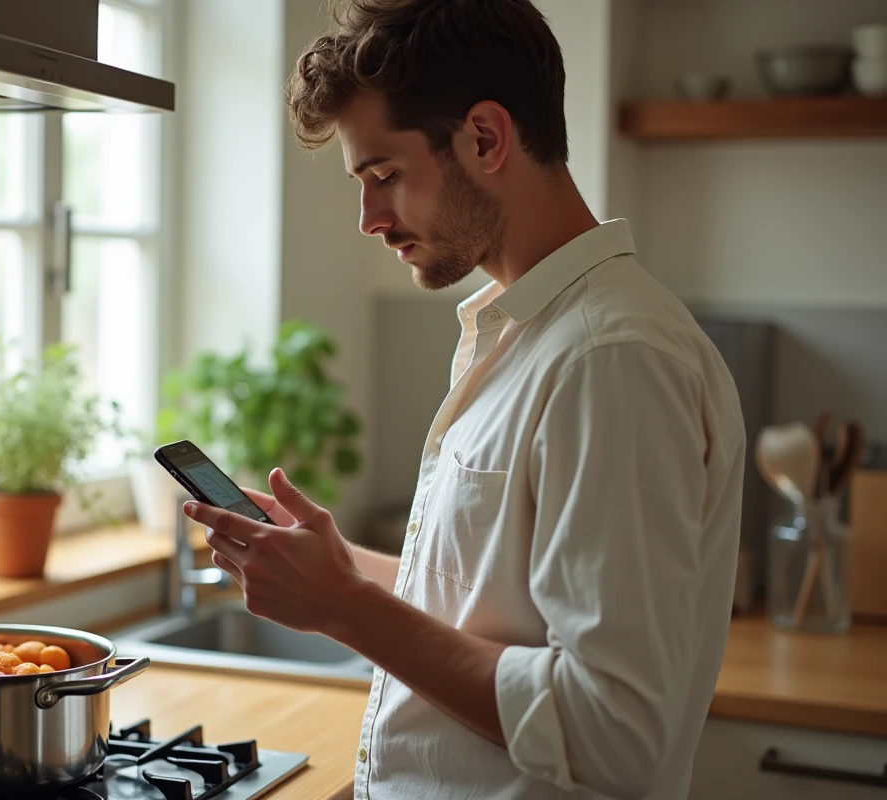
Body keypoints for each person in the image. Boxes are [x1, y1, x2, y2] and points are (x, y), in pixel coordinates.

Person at [181, 1, 747, 797]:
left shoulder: (612, 358)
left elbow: (615, 734)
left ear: (485, 138)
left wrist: (344, 610)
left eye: (384, 176)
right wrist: (344, 573)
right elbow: (489, 606)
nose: (369, 219)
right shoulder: (528, 333)